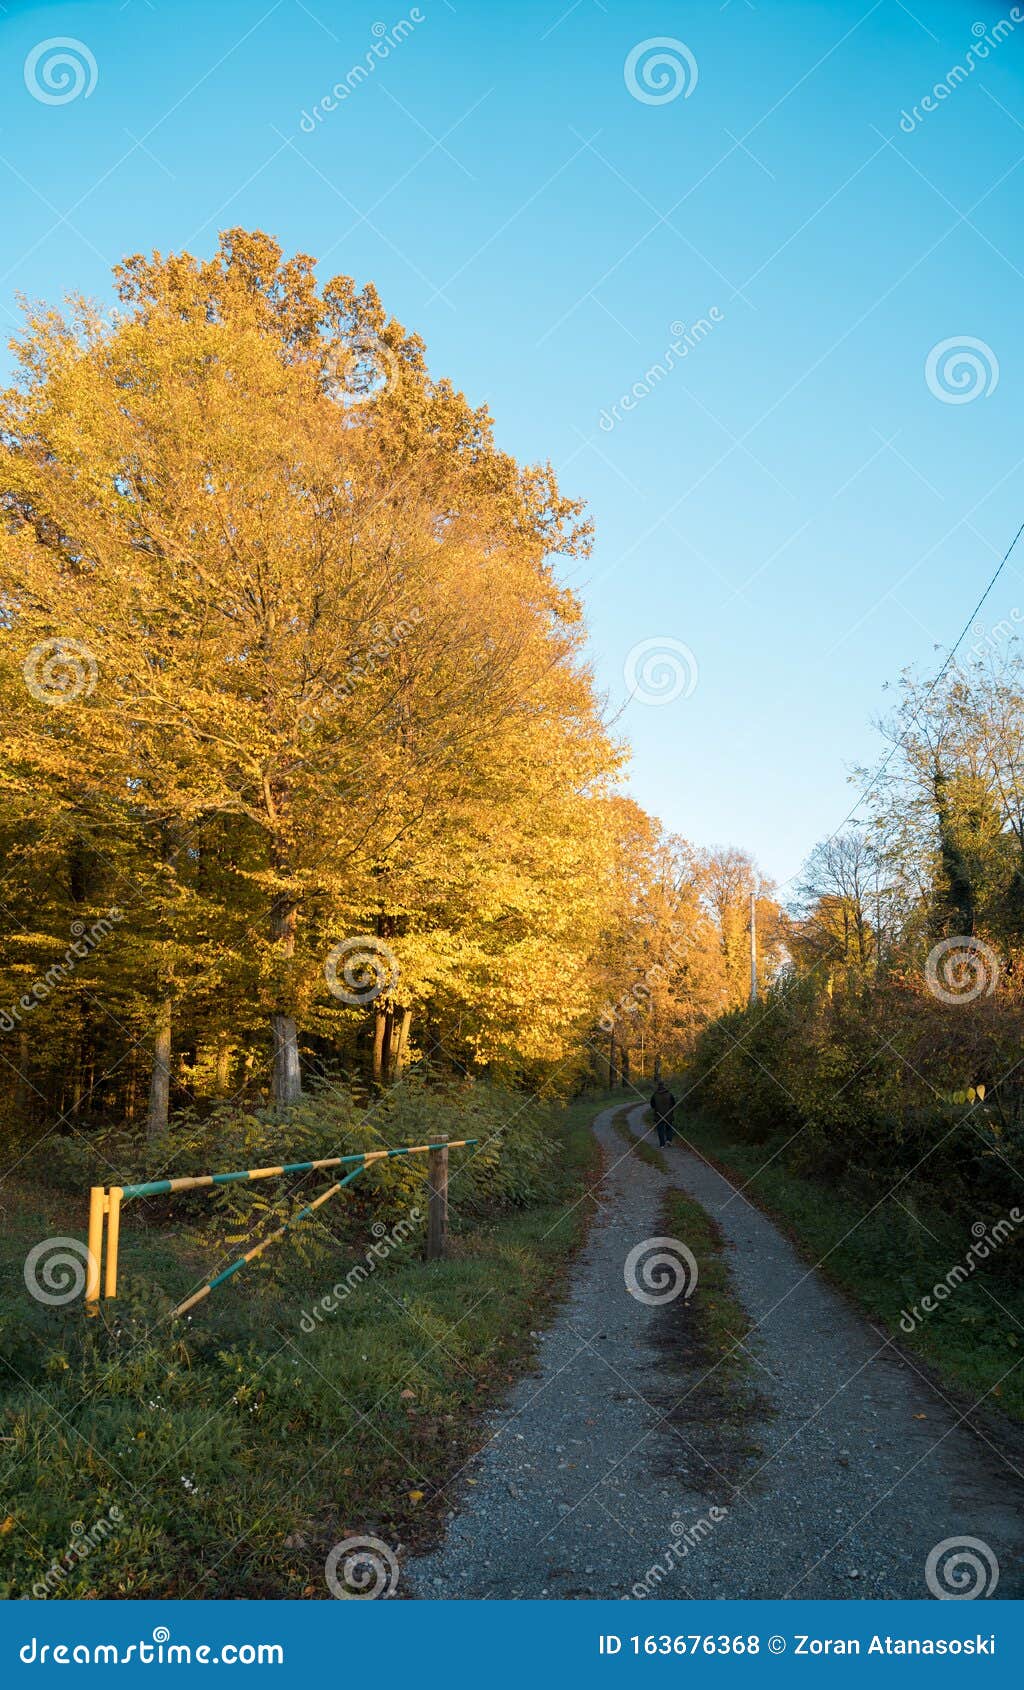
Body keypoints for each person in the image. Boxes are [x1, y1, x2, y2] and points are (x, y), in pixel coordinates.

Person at [650, 1079, 677, 1148]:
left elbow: (652, 1105)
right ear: (664, 1085)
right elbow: (674, 1104)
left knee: (660, 1129)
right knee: (669, 1128)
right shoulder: (669, 1094)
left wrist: (656, 1109)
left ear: (658, 1086)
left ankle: (662, 1144)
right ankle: (669, 1140)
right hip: (669, 1115)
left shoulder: (655, 1095)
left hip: (658, 1115)